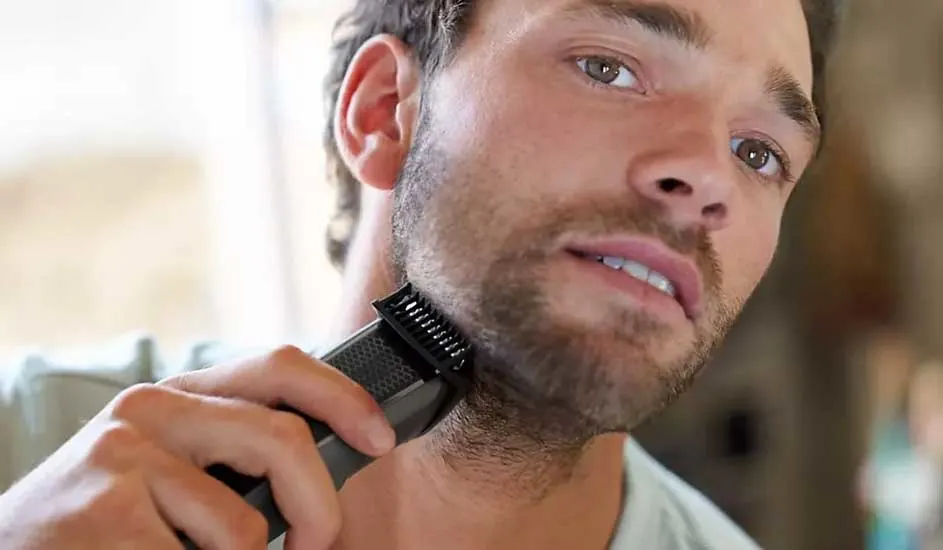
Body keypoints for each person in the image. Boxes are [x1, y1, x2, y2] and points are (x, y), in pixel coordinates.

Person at [0, 0, 840, 548]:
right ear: (381, 114)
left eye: (758, 153)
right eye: (608, 68)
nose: (706, 179)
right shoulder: (27, 450)